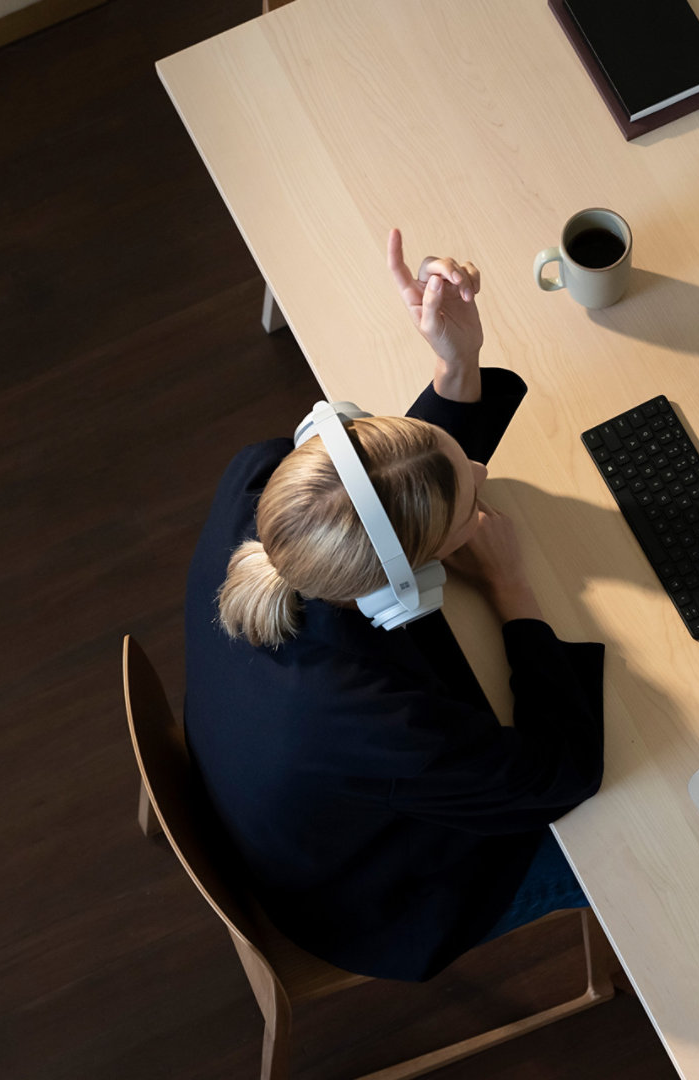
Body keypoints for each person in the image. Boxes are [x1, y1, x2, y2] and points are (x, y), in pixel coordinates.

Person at [183, 229, 605, 982]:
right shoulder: (370, 717)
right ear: (405, 586)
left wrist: (456, 364)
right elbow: (559, 774)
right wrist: (513, 593)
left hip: (277, 803)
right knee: (633, 841)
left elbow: (389, 491)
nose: (480, 466)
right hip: (372, 900)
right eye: (468, 502)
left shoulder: (263, 482)